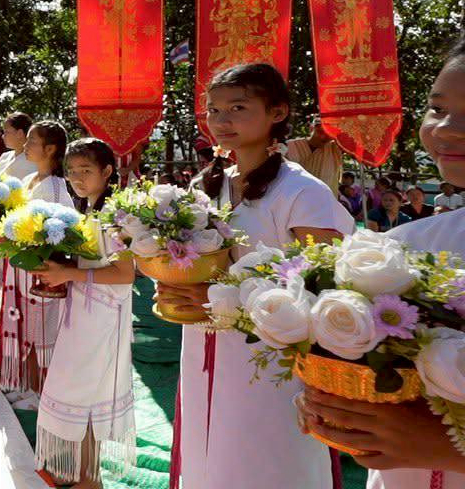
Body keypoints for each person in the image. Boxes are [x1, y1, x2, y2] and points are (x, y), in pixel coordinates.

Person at [156, 63, 353, 489]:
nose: (221, 120)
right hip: (204, 351)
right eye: (213, 110)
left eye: (238, 107)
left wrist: (222, 300)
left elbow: (325, 292)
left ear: (277, 112)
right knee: (206, 457)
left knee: (263, 462)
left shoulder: (302, 193)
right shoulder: (205, 186)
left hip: (270, 362)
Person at [298, 30, 465, 486]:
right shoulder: (406, 244)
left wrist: (445, 448)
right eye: (437, 108)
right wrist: (334, 395)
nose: (446, 129)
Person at [32, 138, 135, 488]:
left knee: (91, 394)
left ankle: (91, 478)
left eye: (86, 170)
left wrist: (69, 274)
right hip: (85, 311)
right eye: (72, 171)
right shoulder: (89, 210)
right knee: (78, 390)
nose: (77, 177)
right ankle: (82, 471)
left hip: (104, 316)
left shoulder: (116, 214)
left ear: (107, 171)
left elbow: (125, 274)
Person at [0, 120, 73, 410]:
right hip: (23, 266)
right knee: (26, 327)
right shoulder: (33, 179)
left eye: (32, 141)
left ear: (50, 149)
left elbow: (57, 232)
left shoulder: (54, 186)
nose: (26, 146)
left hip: (40, 270)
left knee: (41, 329)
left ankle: (43, 391)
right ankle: (27, 385)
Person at [0, 113, 35, 326]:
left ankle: (12, 318)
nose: (3, 135)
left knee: (14, 273)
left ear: (22, 134)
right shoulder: (5, 157)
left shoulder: (31, 162)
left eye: (8, 131)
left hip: (18, 226)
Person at [285, 117, 344, 196]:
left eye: (328, 133)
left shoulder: (335, 150)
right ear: (311, 128)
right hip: (293, 202)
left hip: (324, 204)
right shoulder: (289, 147)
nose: (323, 137)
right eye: (319, 132)